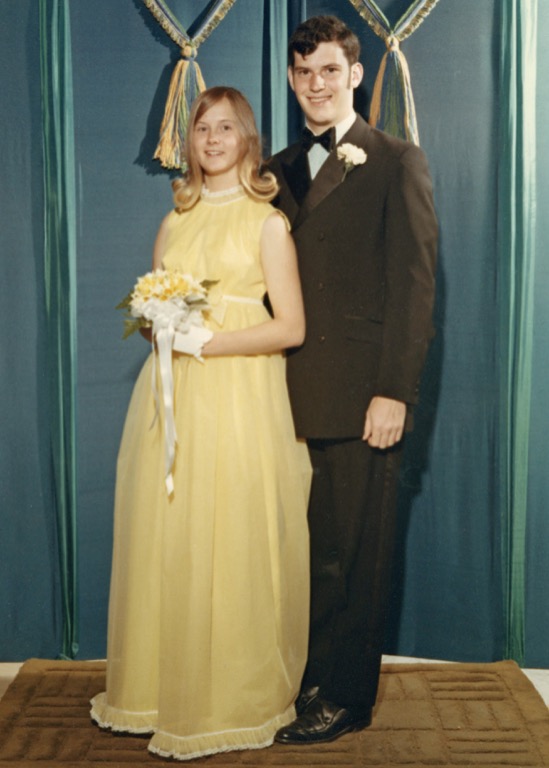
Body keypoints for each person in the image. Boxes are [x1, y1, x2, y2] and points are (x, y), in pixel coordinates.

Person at [90, 86, 312, 761]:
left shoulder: (267, 223)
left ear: (246, 138)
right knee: (172, 535)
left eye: (225, 128)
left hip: (241, 397)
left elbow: (291, 325)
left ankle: (230, 696)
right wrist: (162, 329)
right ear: (187, 144)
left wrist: (208, 343)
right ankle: (161, 690)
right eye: (200, 129)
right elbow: (157, 306)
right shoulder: (174, 220)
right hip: (173, 398)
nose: (211, 140)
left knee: (232, 537)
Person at [268, 15, 438, 745]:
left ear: (356, 75)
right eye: (304, 72)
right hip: (278, 394)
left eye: (330, 71)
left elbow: (414, 286)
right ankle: (306, 677)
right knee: (303, 548)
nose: (316, 84)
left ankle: (345, 695)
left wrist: (394, 390)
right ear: (289, 78)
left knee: (353, 551)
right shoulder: (271, 169)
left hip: (362, 392)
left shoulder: (395, 159)